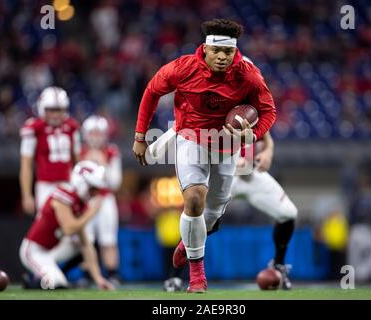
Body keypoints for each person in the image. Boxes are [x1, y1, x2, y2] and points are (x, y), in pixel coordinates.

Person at [133, 19, 276, 293]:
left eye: (229, 53)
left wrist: (252, 134)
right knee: (194, 199)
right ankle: (197, 276)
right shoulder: (183, 68)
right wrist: (140, 136)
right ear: (206, 49)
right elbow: (152, 91)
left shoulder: (248, 74)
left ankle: (186, 244)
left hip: (226, 145)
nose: (223, 57)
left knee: (210, 217)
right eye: (217, 52)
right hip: (191, 138)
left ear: (236, 52)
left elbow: (268, 110)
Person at [163, 132, 298, 291]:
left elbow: (265, 135)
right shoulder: (216, 109)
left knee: (288, 213)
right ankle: (175, 276)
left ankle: (278, 265)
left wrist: (267, 152)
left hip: (250, 176)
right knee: (199, 219)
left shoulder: (250, 109)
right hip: (223, 173)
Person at [19, 160, 115, 290]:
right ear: (82, 182)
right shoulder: (63, 194)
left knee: (85, 242)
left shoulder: (80, 204)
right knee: (57, 284)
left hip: (52, 250)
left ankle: (45, 277)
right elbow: (69, 228)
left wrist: (98, 279)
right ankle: (36, 280)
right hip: (34, 250)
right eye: (93, 188)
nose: (94, 193)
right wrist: (91, 212)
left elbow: (85, 244)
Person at [20, 86, 81, 216]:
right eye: (51, 110)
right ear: (42, 108)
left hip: (67, 184)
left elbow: (77, 162)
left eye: (59, 110)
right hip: (45, 186)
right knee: (45, 226)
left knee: (69, 228)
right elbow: (26, 165)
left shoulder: (72, 127)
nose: (55, 114)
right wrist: (26, 194)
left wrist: (79, 188)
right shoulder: (34, 128)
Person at [80, 115, 122, 282]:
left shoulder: (111, 152)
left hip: (105, 199)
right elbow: (74, 181)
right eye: (93, 133)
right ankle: (87, 274)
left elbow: (115, 183)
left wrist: (104, 164)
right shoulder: (79, 152)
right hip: (86, 200)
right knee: (86, 239)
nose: (96, 137)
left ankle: (112, 273)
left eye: (99, 133)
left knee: (108, 238)